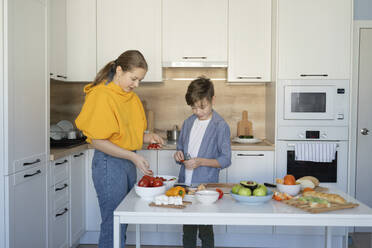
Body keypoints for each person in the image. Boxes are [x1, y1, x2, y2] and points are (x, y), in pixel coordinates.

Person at [75, 50, 164, 248]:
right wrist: (132, 156)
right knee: (112, 223)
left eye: (140, 80)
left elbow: (123, 135)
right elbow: (98, 141)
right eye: (134, 78)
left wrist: (146, 137)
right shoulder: (101, 95)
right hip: (109, 164)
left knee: (122, 220)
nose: (136, 85)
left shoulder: (129, 97)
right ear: (119, 70)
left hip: (126, 161)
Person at [173, 76, 231, 248]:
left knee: (205, 228)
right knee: (188, 228)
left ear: (212, 100)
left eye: (202, 106)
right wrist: (179, 156)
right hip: (186, 184)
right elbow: (181, 148)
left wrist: (201, 162)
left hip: (206, 187)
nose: (198, 111)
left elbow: (226, 159)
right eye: (193, 107)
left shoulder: (220, 125)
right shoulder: (188, 122)